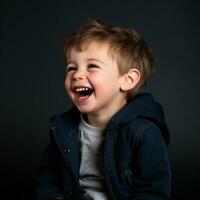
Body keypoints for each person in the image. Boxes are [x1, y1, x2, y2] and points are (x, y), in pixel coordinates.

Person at [35, 19, 171, 200]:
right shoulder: (63, 128)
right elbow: (49, 176)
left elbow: (153, 191)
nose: (77, 74)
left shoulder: (144, 133)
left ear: (127, 80)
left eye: (92, 66)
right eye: (71, 68)